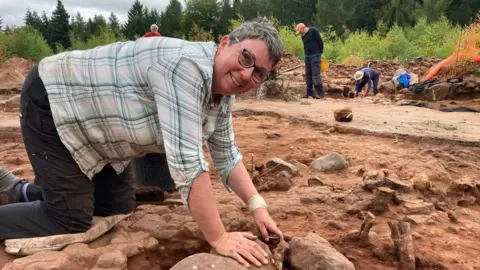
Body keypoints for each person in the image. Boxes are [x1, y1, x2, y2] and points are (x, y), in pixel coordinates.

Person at [0, 17, 283, 268]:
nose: (247, 74)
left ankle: (18, 191)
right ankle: (36, 199)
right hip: (53, 99)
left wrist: (257, 206)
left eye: (259, 72)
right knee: (69, 218)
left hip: (97, 127)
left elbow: (226, 154)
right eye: (245, 58)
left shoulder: (222, 92)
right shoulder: (186, 67)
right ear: (224, 44)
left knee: (116, 206)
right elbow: (188, 164)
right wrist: (219, 238)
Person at [296, 23, 324, 99]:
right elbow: (305, 47)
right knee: (308, 76)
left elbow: (320, 42)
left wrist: (320, 54)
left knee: (315, 75)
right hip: (307, 57)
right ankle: (309, 94)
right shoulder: (303, 36)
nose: (300, 34)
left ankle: (320, 94)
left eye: (300, 32)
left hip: (315, 56)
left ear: (302, 28)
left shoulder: (314, 31)